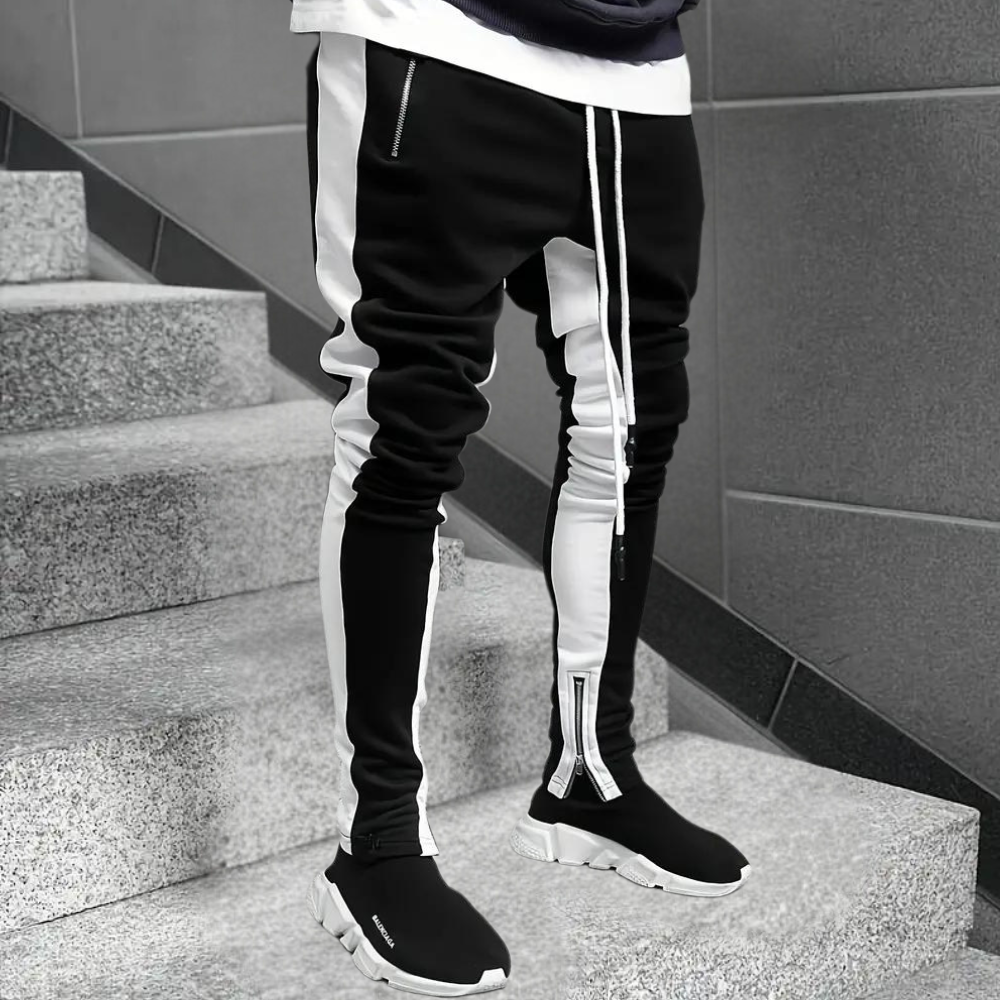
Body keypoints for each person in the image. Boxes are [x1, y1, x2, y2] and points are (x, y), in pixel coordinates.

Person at [293, 1, 751, 995]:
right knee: (405, 424)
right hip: (434, 35)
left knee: (633, 429)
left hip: (636, 72)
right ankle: (377, 841)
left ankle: (592, 771)